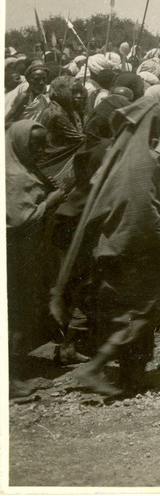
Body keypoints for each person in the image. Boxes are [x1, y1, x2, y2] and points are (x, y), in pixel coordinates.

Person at [51, 96, 160, 397]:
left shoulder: (116, 156)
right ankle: (110, 371)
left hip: (110, 247)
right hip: (134, 250)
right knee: (142, 311)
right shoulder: (144, 161)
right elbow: (144, 213)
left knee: (124, 314)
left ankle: (113, 369)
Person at [7, 120, 66, 400]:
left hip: (28, 250)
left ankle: (17, 372)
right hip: (18, 251)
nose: (42, 151)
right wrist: (51, 200)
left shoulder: (24, 167)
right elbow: (21, 218)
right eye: (36, 146)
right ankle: (12, 381)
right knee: (17, 311)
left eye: (44, 144)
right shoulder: (15, 176)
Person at [6, 60, 50, 127]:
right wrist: (27, 126)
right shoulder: (24, 97)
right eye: (37, 79)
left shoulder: (43, 98)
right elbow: (7, 121)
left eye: (44, 79)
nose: (41, 82)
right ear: (29, 80)